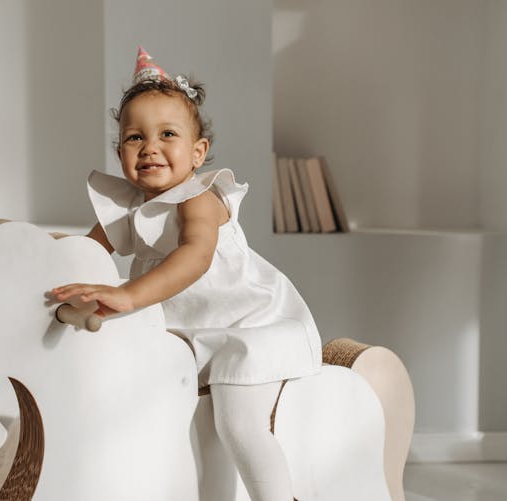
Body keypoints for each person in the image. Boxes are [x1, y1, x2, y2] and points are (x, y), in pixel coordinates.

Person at [52, 47, 320, 501]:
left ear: (198, 153)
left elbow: (194, 258)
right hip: (191, 337)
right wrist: (51, 264)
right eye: (134, 138)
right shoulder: (127, 207)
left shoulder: (200, 197)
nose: (150, 146)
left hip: (250, 328)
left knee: (239, 423)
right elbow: (84, 253)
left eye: (167, 134)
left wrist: (130, 296)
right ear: (120, 152)